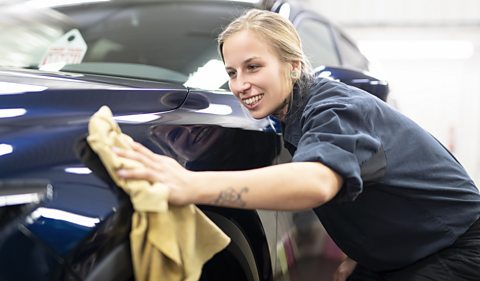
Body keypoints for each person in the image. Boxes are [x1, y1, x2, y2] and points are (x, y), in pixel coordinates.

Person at [113, 9, 480, 281]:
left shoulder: (334, 107)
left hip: (457, 249)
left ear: (292, 65)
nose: (240, 85)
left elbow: (316, 183)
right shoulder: (285, 115)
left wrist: (190, 184)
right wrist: (365, 254)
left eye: (253, 67)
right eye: (231, 72)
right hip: (400, 252)